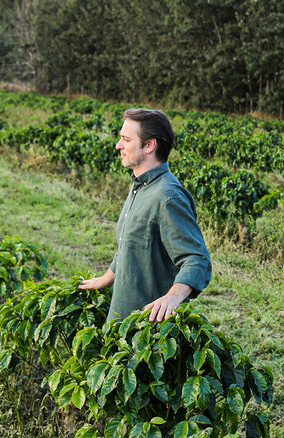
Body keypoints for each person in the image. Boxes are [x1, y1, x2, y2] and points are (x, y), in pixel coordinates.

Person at [80, 107, 212, 324]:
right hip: (122, 316)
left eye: (126, 139)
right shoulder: (139, 186)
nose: (118, 145)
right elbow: (131, 244)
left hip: (147, 329)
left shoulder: (168, 197)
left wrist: (173, 297)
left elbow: (196, 259)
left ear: (149, 145)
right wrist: (106, 278)